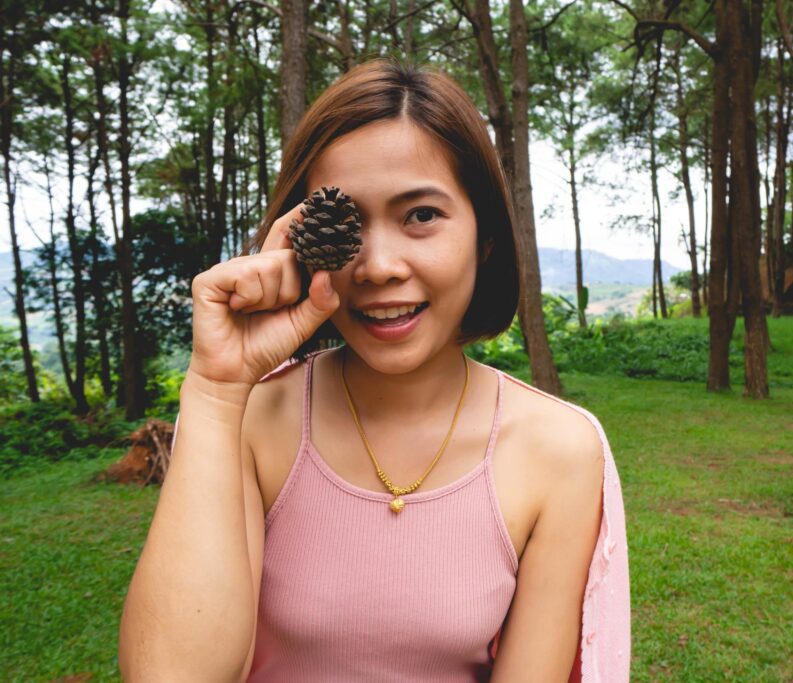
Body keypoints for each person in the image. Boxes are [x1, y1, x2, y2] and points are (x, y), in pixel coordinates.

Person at [119, 57, 629, 682]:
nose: (379, 265)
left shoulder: (560, 450)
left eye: (421, 216)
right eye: (346, 223)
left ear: (485, 239)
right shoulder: (255, 419)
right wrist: (217, 389)